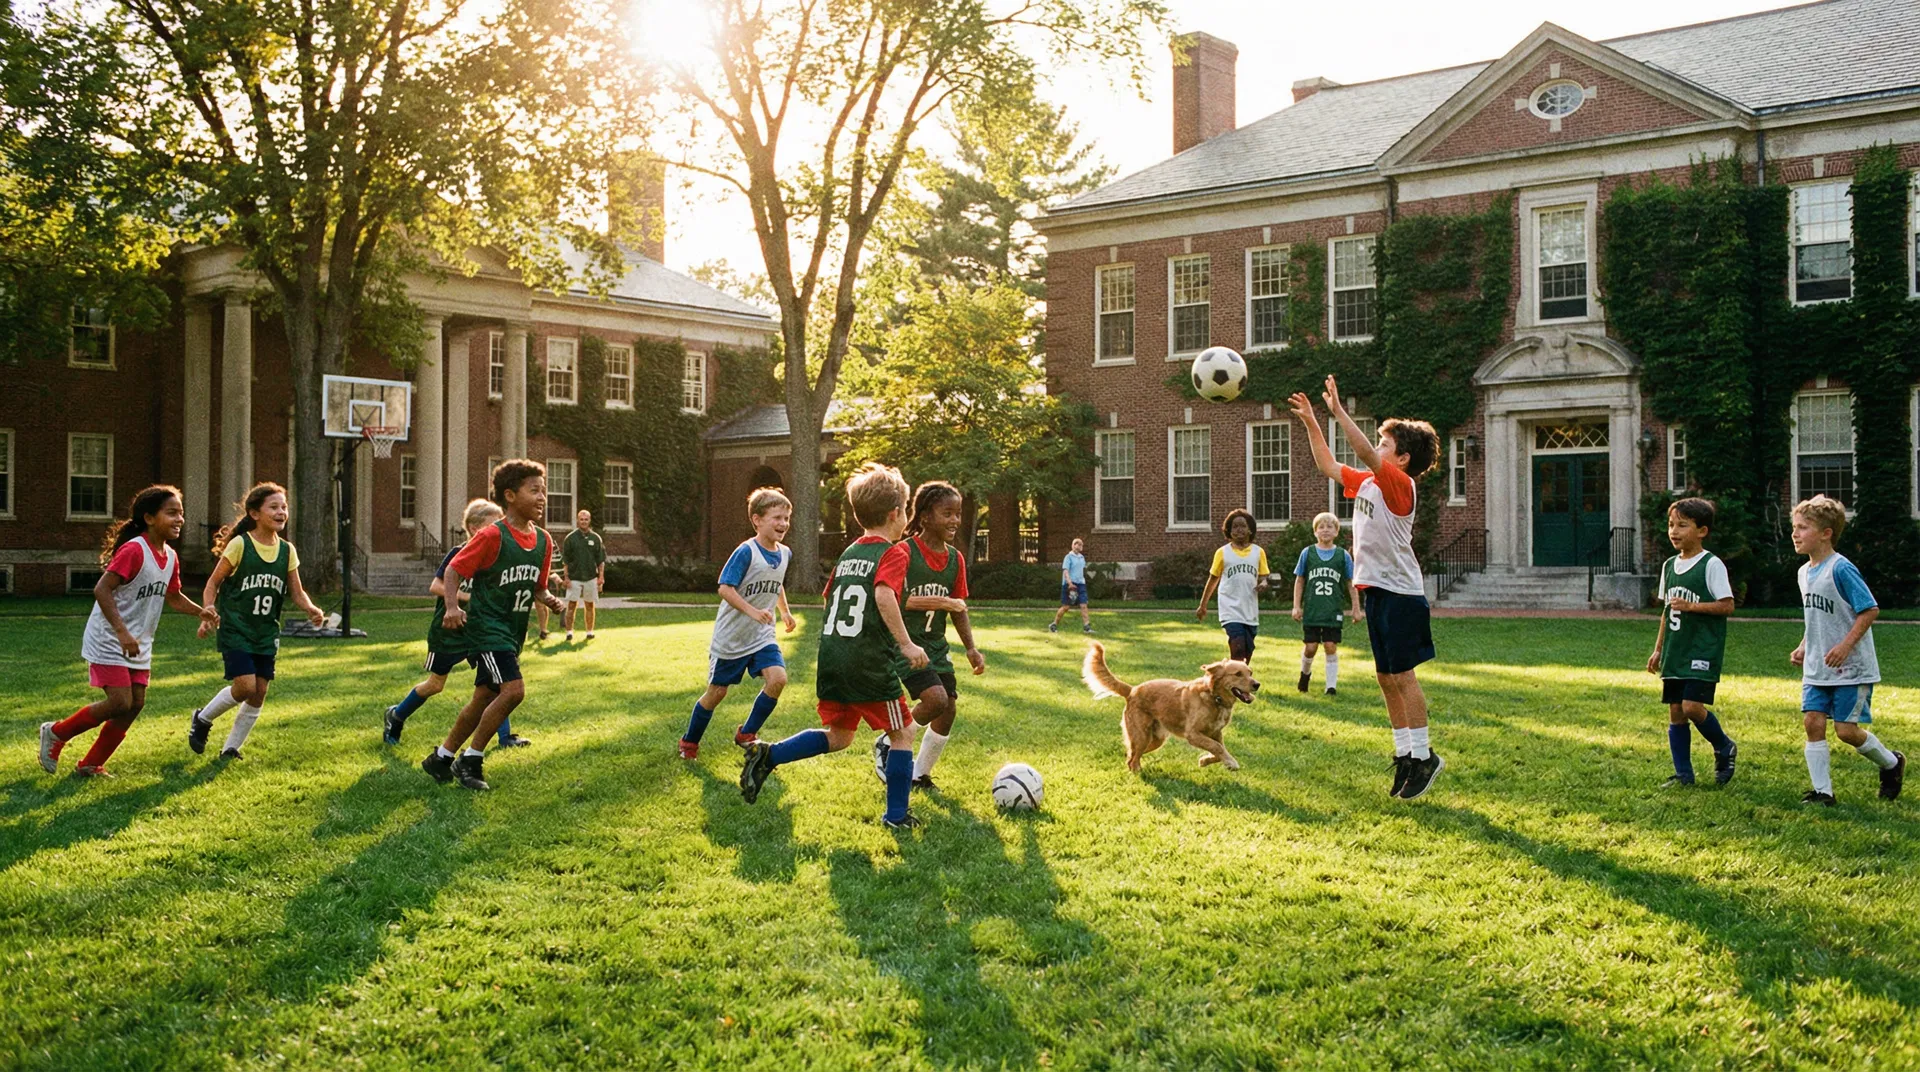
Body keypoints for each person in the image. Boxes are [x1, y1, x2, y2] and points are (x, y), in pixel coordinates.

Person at [739, 462, 930, 829]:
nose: (906, 516)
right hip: (868, 664)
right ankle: (897, 816)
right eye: (906, 509)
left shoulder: (849, 554)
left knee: (841, 736)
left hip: (833, 656)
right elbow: (883, 595)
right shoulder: (895, 552)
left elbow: (832, 600)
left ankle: (769, 755)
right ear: (895, 514)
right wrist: (905, 644)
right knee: (903, 732)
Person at [1291, 377, 1444, 800]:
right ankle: (1404, 757)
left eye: (1384, 443)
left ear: (1403, 457)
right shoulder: (1369, 482)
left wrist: (1339, 411)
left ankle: (1424, 755)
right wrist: (1311, 423)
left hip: (1401, 594)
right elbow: (1327, 464)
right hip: (1376, 590)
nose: (1377, 448)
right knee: (1384, 677)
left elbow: (1359, 452)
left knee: (1403, 676)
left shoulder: (1400, 484)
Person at [38, 486, 219, 776]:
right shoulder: (135, 549)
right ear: (149, 517)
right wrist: (122, 632)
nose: (179, 519)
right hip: (110, 637)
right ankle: (57, 732)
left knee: (135, 704)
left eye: (181, 514)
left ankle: (90, 764)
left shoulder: (170, 556)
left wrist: (202, 611)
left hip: (138, 641)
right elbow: (102, 589)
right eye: (171, 513)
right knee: (119, 701)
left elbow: (172, 596)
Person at [420, 460, 566, 791]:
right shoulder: (491, 535)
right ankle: (471, 760)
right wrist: (453, 606)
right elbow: (455, 570)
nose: (542, 497)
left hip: (513, 632)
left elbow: (538, 586)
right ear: (510, 496)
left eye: (543, 490)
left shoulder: (543, 541)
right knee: (513, 691)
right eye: (534, 490)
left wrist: (548, 599)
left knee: (484, 696)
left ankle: (441, 758)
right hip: (487, 628)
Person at [186, 483, 326, 760]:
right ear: (254, 513)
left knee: (259, 692)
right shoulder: (241, 545)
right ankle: (202, 718)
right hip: (237, 628)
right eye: (273, 507)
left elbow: (296, 592)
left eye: (284, 507)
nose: (281, 512)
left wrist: (311, 608)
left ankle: (231, 748)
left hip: (265, 632)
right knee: (245, 687)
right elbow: (213, 583)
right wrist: (209, 608)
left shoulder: (287, 550)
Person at [383, 499, 530, 747]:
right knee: (435, 685)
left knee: (494, 682)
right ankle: (396, 715)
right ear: (474, 528)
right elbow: (436, 585)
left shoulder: (496, 557)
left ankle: (505, 737)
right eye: (493, 524)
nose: (499, 530)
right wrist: (466, 597)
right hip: (449, 632)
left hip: (480, 631)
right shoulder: (458, 553)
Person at [870, 480, 986, 791]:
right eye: (947, 513)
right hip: (905, 644)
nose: (955, 521)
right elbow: (896, 598)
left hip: (936, 645)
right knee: (934, 699)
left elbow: (959, 608)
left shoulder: (955, 559)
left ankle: (919, 774)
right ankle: (888, 739)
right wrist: (942, 601)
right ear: (925, 517)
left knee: (948, 709)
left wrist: (971, 649)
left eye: (958, 514)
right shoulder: (904, 553)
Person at [1790, 494, 1904, 805]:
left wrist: (1844, 646)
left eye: (1802, 528)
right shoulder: (1803, 572)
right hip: (1817, 666)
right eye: (1794, 527)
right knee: (1812, 721)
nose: (1795, 534)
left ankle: (1892, 764)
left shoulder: (1841, 569)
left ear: (1826, 533)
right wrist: (1803, 646)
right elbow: (1816, 617)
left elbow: (1868, 610)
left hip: (1850, 667)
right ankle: (1823, 792)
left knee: (1845, 731)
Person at [680, 487, 796, 759]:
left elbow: (776, 584)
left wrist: (785, 612)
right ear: (757, 520)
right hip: (732, 638)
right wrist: (753, 611)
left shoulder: (786, 553)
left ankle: (747, 734)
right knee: (717, 693)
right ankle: (689, 743)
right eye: (777, 517)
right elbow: (725, 588)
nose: (783, 524)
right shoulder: (746, 551)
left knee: (778, 679)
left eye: (787, 518)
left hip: (761, 636)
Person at [1644, 497, 1738, 788]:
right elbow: (1667, 611)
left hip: (1702, 649)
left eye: (1683, 525)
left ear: (1702, 531)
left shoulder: (1711, 565)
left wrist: (1693, 607)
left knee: (1692, 707)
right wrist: (1658, 648)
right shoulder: (1669, 566)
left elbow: (1727, 606)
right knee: (1675, 711)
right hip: (1676, 649)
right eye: (1671, 525)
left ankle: (1723, 745)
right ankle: (1683, 775)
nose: (1674, 531)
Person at [1292, 511, 1361, 695]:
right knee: (1311, 647)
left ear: (1336, 532)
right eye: (1321, 527)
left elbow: (1350, 583)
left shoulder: (1343, 556)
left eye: (1330, 527)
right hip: (1313, 610)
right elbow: (1300, 580)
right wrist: (1296, 606)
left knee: (1330, 646)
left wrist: (1356, 608)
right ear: (1315, 532)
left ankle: (1331, 686)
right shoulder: (1308, 553)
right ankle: (1304, 675)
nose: (1325, 530)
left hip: (1332, 610)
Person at [1194, 509, 1271, 664]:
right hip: (1230, 608)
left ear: (1250, 529)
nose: (1239, 530)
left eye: (1243, 526)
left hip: (1249, 609)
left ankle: (1235, 680)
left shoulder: (1258, 552)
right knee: (1237, 647)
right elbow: (1213, 579)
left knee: (1247, 651)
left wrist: (1263, 583)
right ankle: (1236, 686)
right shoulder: (1222, 553)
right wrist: (1203, 605)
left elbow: (1264, 577)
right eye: (1234, 527)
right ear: (1229, 530)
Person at [560, 509, 606, 641]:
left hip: (591, 577)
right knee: (572, 605)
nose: (584, 522)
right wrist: (566, 577)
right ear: (577, 520)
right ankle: (569, 632)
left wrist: (601, 577)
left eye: (586, 519)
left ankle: (590, 632)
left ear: (589, 520)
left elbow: (601, 560)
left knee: (590, 605)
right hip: (574, 577)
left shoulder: (596, 538)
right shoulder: (570, 538)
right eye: (581, 519)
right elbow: (566, 560)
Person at [1049, 537, 1092, 634]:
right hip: (1069, 585)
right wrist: (1070, 583)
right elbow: (1065, 571)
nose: (1081, 546)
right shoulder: (1068, 557)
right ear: (1074, 545)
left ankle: (1087, 627)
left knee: (1083, 605)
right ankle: (1054, 624)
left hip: (1081, 584)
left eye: (1082, 545)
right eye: (1079, 544)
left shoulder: (1082, 558)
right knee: (1066, 607)